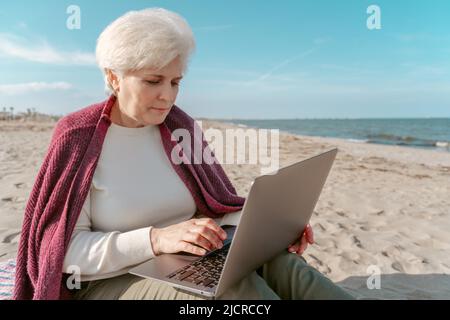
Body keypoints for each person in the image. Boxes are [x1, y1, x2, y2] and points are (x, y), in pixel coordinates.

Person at [15, 8, 354, 300]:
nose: (167, 96)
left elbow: (218, 207)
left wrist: (275, 226)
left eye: (175, 82)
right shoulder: (78, 138)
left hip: (186, 262)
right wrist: (156, 240)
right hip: (109, 282)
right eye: (153, 80)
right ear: (113, 77)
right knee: (237, 291)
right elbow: (62, 253)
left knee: (288, 266)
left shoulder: (179, 128)